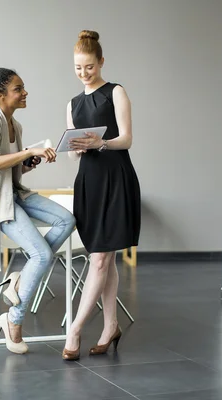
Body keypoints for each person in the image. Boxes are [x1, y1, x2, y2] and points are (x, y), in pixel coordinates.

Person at [0, 62, 76, 354]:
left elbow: (11, 170)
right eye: (18, 89)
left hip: (13, 192)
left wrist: (27, 163)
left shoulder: (16, 124)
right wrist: (29, 152)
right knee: (41, 254)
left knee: (66, 219)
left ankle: (20, 279)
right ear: (0, 94)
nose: (25, 92)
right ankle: (13, 319)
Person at [62, 30, 141, 360]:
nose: (84, 73)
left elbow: (127, 139)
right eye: (79, 68)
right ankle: (111, 325)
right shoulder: (73, 103)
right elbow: (69, 151)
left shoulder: (116, 92)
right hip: (89, 183)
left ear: (101, 62)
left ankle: (75, 329)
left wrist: (101, 143)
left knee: (99, 259)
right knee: (103, 257)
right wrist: (76, 149)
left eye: (89, 67)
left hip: (115, 179)